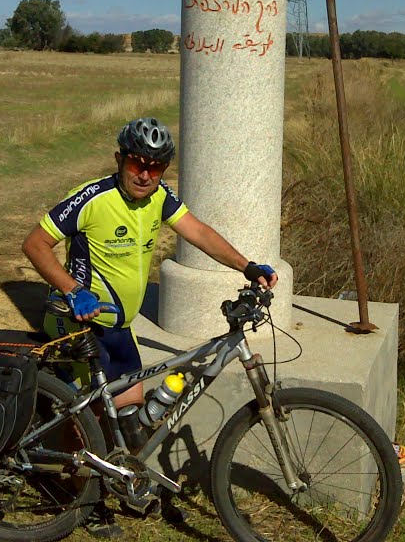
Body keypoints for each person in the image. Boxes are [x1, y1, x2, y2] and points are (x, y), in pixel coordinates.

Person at [22, 116, 276, 537]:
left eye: (155, 167)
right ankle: (81, 502)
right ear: (120, 160)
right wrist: (71, 289)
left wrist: (246, 266)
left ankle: (104, 481)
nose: (145, 174)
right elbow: (35, 244)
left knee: (130, 421)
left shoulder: (159, 198)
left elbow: (199, 232)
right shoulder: (91, 199)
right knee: (86, 419)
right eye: (137, 163)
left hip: (119, 329)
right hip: (79, 325)